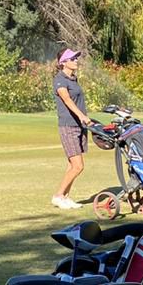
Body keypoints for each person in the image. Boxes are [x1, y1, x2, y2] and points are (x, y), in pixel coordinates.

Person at [52, 48, 92, 210]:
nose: (76, 61)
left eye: (76, 58)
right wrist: (82, 116)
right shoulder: (60, 80)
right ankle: (58, 196)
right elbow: (67, 100)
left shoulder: (73, 79)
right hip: (68, 126)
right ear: (63, 62)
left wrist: (83, 120)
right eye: (72, 58)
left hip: (79, 126)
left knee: (71, 165)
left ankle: (66, 197)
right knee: (78, 166)